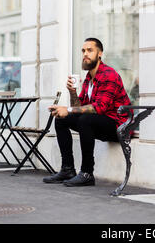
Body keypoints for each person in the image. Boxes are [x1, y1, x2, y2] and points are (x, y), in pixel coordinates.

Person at [43, 38, 132, 187]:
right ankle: (67, 169)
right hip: (101, 122)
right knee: (61, 119)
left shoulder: (109, 74)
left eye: (90, 50)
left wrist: (69, 109)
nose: (85, 54)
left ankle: (87, 173)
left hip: (119, 126)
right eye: (83, 51)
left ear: (99, 54)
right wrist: (72, 92)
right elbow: (80, 107)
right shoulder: (89, 79)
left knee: (85, 120)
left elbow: (99, 108)